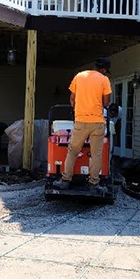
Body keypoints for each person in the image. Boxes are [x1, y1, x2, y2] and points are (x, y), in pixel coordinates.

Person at [53, 58, 112, 190]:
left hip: (81, 122)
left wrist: (77, 109)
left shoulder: (79, 76)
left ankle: (65, 180)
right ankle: (93, 183)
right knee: (96, 154)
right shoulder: (104, 79)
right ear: (104, 70)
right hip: (97, 122)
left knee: (73, 150)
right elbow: (106, 103)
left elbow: (72, 99)